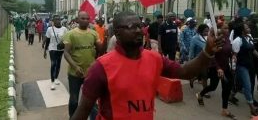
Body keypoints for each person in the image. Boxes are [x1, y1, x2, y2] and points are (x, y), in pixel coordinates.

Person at [70, 11, 224, 120]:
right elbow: (82, 112)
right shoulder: (101, 68)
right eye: (131, 26)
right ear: (117, 33)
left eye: (140, 26)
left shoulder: (155, 58)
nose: (138, 30)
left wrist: (208, 51)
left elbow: (186, 72)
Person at [63, 11, 103, 119]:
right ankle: (73, 117)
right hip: (75, 73)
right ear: (77, 20)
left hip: (90, 73)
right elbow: (66, 53)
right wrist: (75, 67)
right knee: (74, 100)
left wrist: (103, 41)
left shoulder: (93, 33)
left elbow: (100, 50)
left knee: (92, 99)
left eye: (87, 18)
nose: (85, 20)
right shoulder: (70, 34)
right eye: (82, 18)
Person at [196, 22, 236, 119]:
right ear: (219, 29)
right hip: (215, 67)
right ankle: (200, 94)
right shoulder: (215, 39)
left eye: (228, 28)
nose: (228, 30)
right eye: (225, 28)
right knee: (213, 86)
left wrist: (233, 55)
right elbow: (212, 55)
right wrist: (218, 68)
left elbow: (228, 50)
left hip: (226, 67)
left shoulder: (227, 38)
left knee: (226, 88)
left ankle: (224, 109)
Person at [232, 22, 258, 116]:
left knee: (239, 85)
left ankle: (230, 96)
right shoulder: (237, 40)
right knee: (247, 87)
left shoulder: (249, 38)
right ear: (242, 30)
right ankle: (252, 109)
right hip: (242, 67)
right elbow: (234, 56)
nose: (249, 28)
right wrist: (233, 68)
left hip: (250, 66)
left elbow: (253, 50)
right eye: (247, 27)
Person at [43, 15, 68, 90]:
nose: (57, 21)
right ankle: (52, 82)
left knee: (58, 64)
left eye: (58, 20)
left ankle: (56, 77)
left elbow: (67, 39)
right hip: (52, 49)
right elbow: (47, 40)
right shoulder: (50, 29)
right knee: (53, 63)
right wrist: (45, 50)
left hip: (60, 49)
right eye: (55, 20)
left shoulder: (64, 29)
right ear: (53, 21)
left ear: (60, 20)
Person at [189, 24, 209, 90]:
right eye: (205, 31)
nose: (207, 33)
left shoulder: (207, 38)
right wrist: (191, 61)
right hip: (198, 60)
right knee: (204, 76)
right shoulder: (195, 39)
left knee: (203, 74)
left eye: (207, 31)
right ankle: (204, 91)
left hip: (206, 60)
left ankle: (193, 79)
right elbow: (191, 51)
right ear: (200, 31)